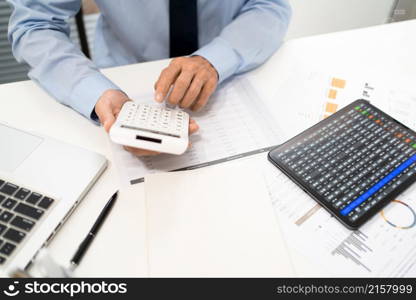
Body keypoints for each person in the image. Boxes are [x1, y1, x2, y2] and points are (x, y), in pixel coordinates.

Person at [7, 0, 291, 156]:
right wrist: (94, 93)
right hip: (124, 80)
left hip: (234, 73)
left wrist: (215, 59)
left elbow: (270, 4)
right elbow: (34, 25)